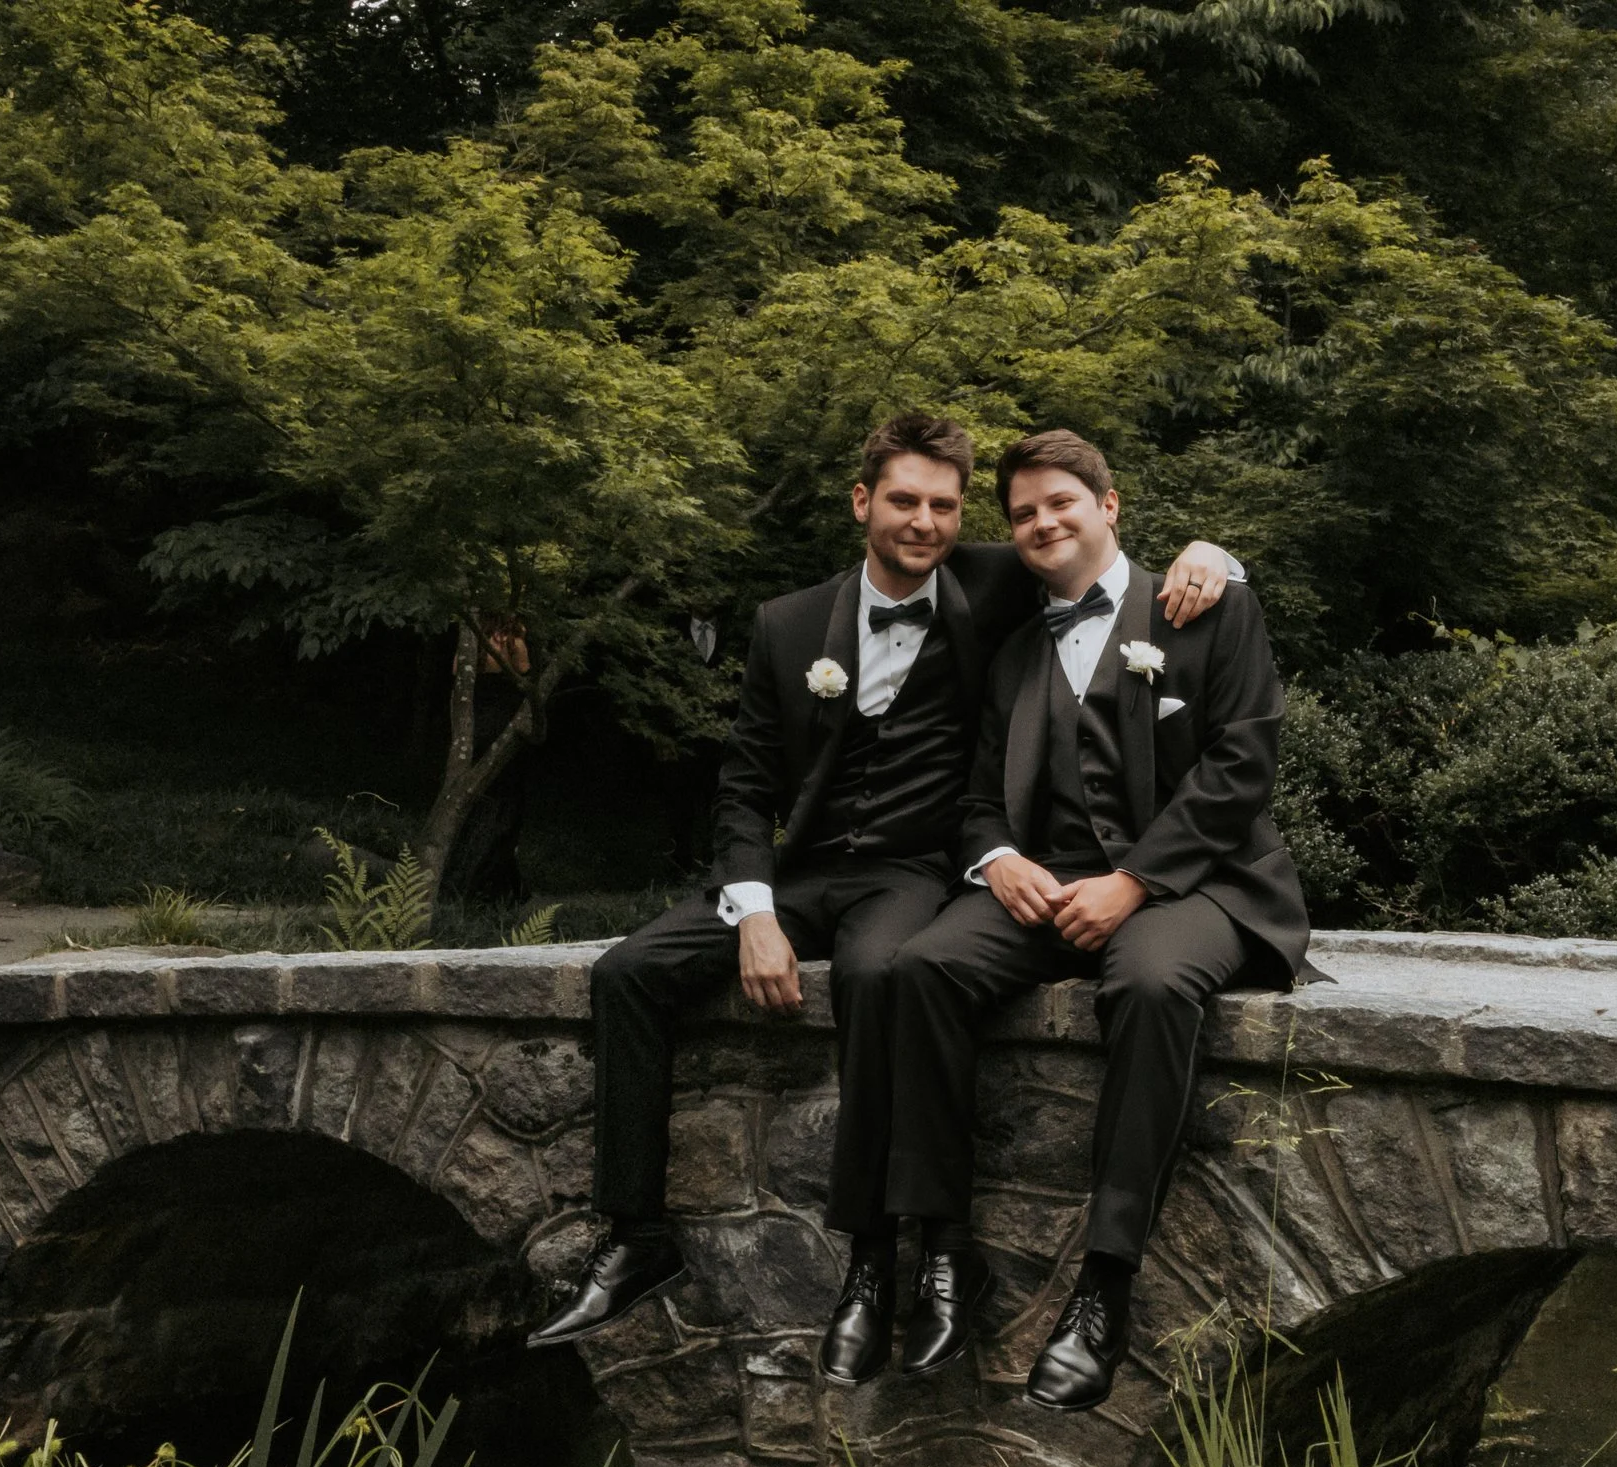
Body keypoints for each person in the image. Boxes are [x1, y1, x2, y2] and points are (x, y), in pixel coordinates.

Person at [527, 414, 1244, 1386]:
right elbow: (743, 785)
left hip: (914, 870)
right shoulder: (788, 624)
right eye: (903, 500)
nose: (923, 521)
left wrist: (1213, 554)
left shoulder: (995, 583)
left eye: (944, 506)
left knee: (879, 973)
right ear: (863, 501)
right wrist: (758, 912)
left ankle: (880, 1264)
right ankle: (634, 1234)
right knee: (626, 972)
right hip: (801, 872)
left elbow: (1099, 555)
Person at [881, 428, 1311, 1412]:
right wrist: (1000, 860)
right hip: (1051, 885)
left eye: (1060, 503)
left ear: (1109, 506)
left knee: (1152, 984)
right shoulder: (1011, 649)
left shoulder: (1207, 608)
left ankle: (1103, 1287)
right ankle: (946, 1253)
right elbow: (979, 800)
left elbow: (1241, 768)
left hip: (1200, 883)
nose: (1042, 523)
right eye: (1023, 513)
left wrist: (1137, 880)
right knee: (921, 967)